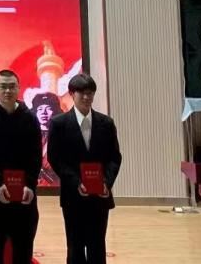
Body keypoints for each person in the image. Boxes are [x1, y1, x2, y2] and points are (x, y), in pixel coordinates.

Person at [47, 74, 122, 264]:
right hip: (73, 196)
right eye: (82, 93)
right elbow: (55, 159)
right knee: (75, 247)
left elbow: (114, 158)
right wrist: (76, 182)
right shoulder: (59, 123)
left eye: (90, 93)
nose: (87, 97)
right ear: (72, 94)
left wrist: (106, 183)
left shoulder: (106, 123)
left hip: (100, 195)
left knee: (98, 246)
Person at [0, 69, 42, 264]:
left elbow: (35, 155)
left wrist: (30, 184)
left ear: (19, 88)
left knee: (23, 247)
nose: (8, 91)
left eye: (12, 86)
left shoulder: (29, 118)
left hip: (25, 194)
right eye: (3, 86)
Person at [31, 91, 62, 184]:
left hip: (55, 185)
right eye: (40, 109)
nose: (43, 113)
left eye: (48, 109)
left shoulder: (62, 135)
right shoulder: (28, 135)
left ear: (55, 111)